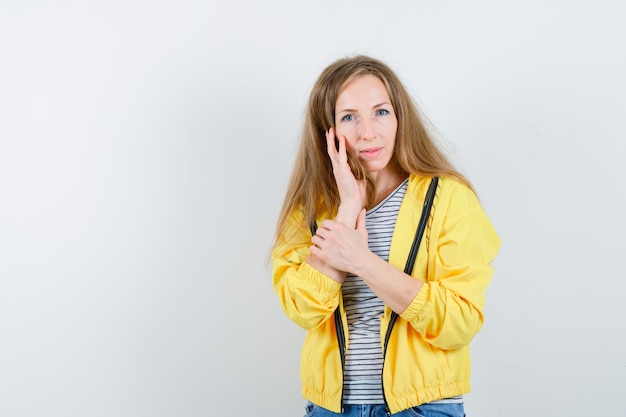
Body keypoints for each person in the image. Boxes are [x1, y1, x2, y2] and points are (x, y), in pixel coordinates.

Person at [270, 55, 500, 417]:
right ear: (326, 131)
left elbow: (460, 322)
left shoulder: (449, 198)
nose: (368, 133)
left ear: (399, 117)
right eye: (349, 117)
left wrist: (361, 261)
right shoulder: (311, 210)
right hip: (331, 409)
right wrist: (347, 208)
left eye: (381, 112)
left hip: (422, 408)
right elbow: (304, 310)